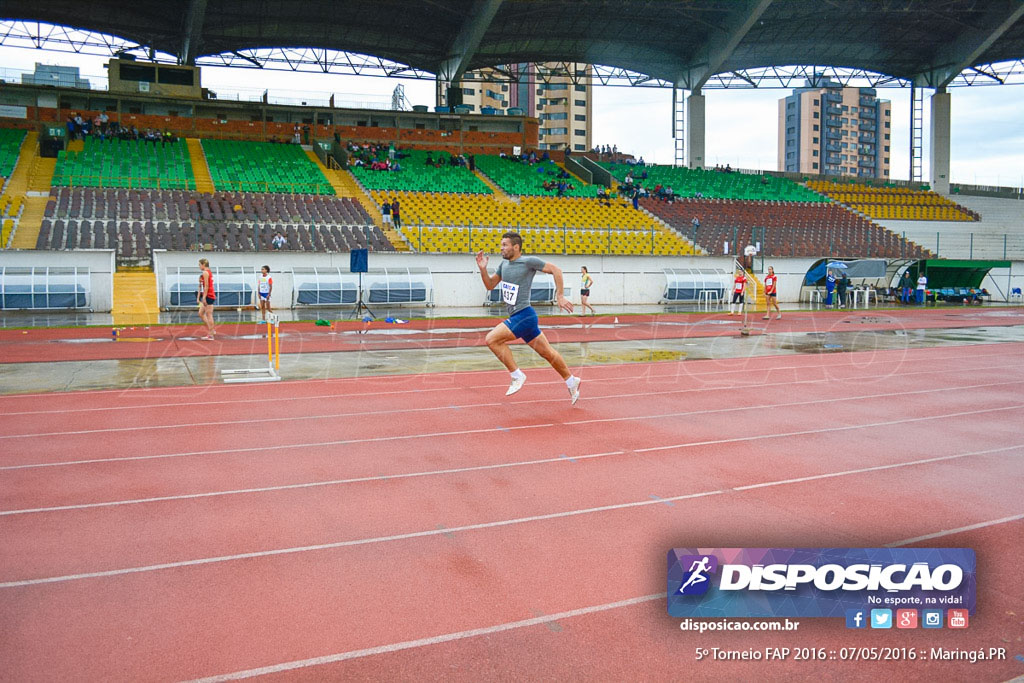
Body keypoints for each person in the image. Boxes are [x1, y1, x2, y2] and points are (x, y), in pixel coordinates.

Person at [476, 232, 582, 403]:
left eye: (505, 245)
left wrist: (560, 296)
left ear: (515, 247)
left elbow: (556, 270)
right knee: (548, 354)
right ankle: (572, 381)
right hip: (521, 317)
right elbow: (490, 285)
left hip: (524, 315)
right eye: (501, 244)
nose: (501, 248)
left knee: (492, 339)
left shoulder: (528, 262)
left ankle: (517, 375)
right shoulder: (504, 265)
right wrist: (482, 270)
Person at [197, 258, 216, 340]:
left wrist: (204, 297)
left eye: (200, 265)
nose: (199, 267)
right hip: (209, 294)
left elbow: (206, 286)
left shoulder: (205, 272)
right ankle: (211, 329)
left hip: (209, 295)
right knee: (201, 313)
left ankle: (211, 334)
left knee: (209, 314)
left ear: (203, 265)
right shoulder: (209, 272)